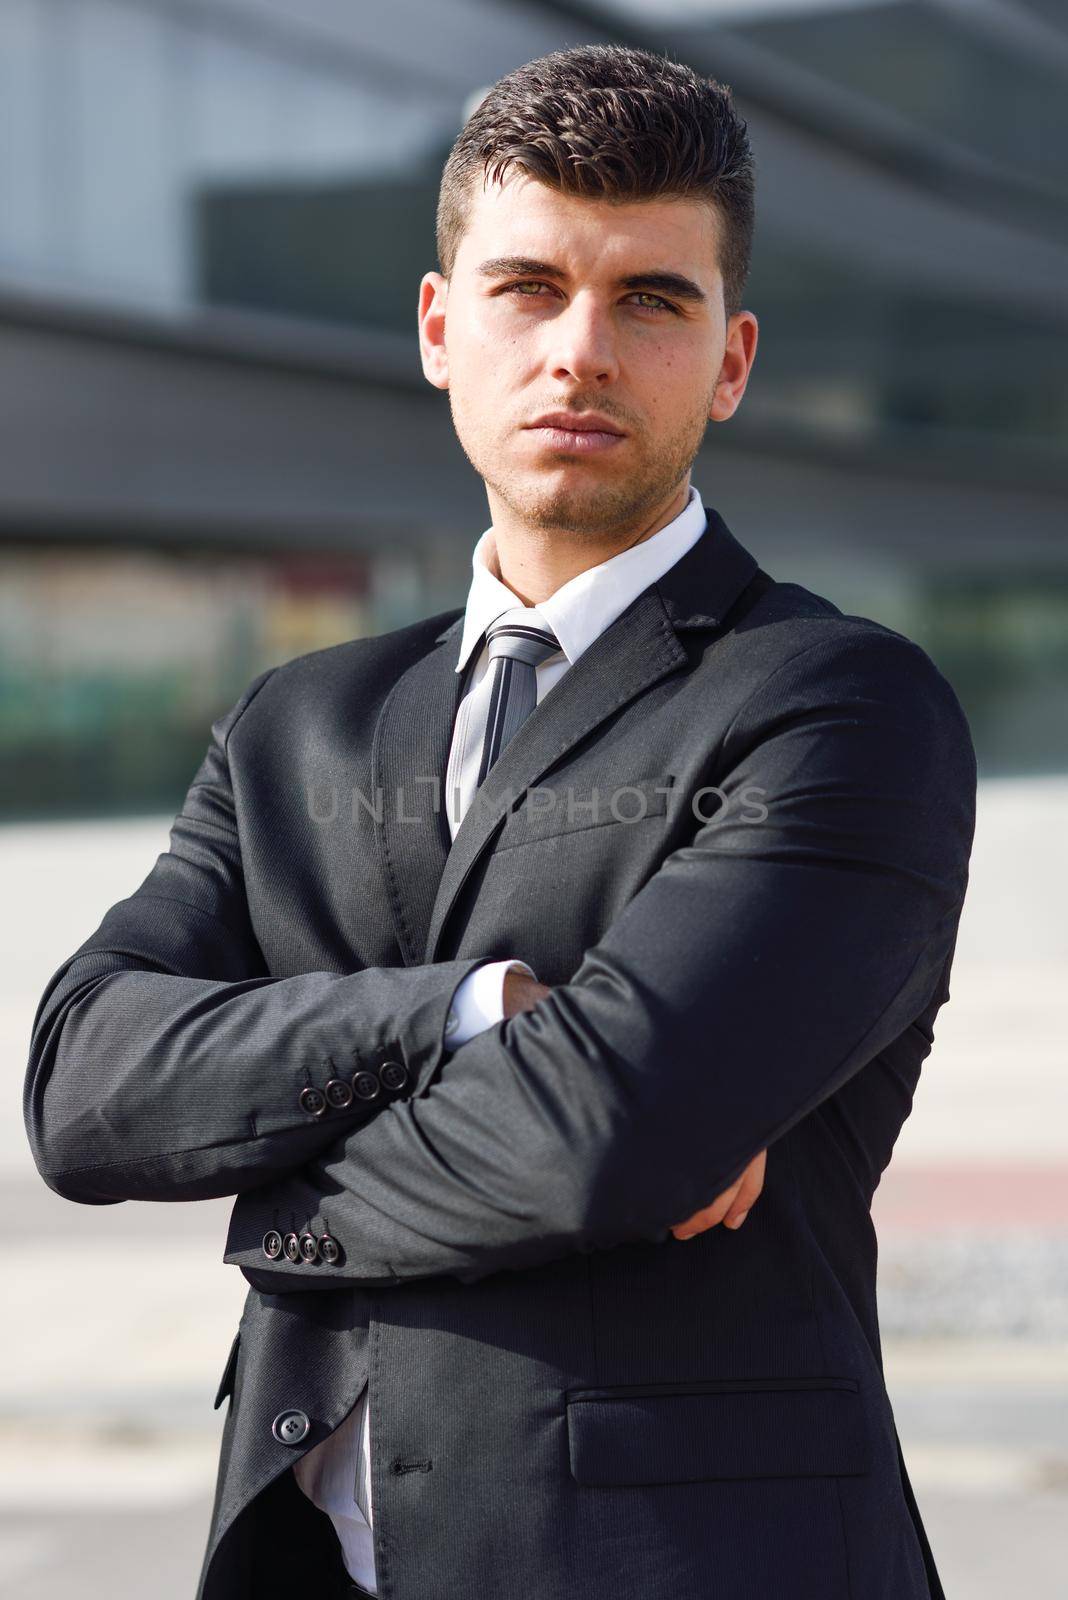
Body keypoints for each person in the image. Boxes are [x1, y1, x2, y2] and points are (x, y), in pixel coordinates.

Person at [24, 43, 974, 1600]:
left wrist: (267, 1176)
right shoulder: (299, 723)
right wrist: (469, 1015)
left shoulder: (839, 706)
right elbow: (83, 1088)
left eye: (650, 300)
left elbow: (608, 1137)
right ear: (438, 326)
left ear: (731, 364)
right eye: (528, 286)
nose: (580, 351)